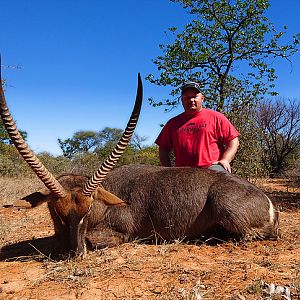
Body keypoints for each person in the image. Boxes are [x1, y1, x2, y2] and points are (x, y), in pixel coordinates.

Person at [155, 82, 240, 173]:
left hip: (211, 168)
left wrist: (225, 160)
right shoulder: (172, 123)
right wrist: (168, 171)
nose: (191, 100)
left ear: (202, 99)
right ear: (182, 100)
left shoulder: (217, 117)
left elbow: (234, 141)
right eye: (187, 97)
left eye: (195, 96)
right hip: (182, 172)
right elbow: (163, 148)